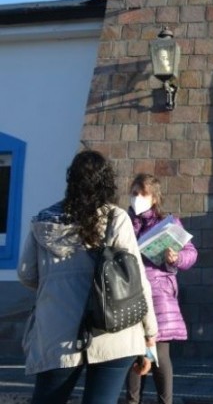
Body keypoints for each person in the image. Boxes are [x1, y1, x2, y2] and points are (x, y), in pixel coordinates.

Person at [17, 150, 158, 404]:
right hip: (114, 330)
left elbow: (26, 273)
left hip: (57, 333)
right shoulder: (116, 218)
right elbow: (136, 281)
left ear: (71, 181)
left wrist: (57, 286)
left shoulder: (43, 221)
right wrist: (150, 335)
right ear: (107, 182)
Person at [125, 174, 198, 404]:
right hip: (128, 293)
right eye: (134, 193)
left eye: (143, 194)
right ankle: (132, 400)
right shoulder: (123, 221)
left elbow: (191, 253)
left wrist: (175, 257)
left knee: (159, 355)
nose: (137, 198)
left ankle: (165, 401)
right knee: (132, 355)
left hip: (158, 296)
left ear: (154, 198)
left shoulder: (168, 223)